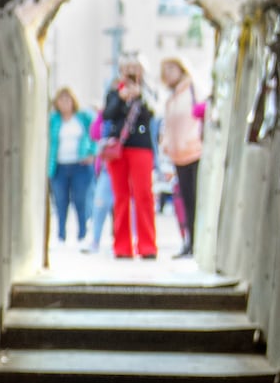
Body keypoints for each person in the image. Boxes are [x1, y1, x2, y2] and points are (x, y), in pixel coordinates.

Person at [100, 60, 158, 259]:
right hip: (118, 149)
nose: (131, 72)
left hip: (141, 147)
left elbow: (151, 116)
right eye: (127, 68)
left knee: (143, 195)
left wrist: (138, 97)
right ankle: (122, 246)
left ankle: (147, 245)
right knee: (121, 197)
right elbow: (107, 114)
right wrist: (121, 99)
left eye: (135, 68)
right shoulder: (114, 91)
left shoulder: (148, 92)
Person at [158, 57, 203, 258]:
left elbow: (203, 112)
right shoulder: (171, 98)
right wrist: (166, 145)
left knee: (196, 199)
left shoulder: (192, 90)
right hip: (178, 156)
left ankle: (198, 243)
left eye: (171, 68)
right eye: (165, 69)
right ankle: (189, 241)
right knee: (185, 201)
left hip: (195, 152)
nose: (168, 73)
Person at [47, 87, 97, 245]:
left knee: (80, 199)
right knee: (60, 201)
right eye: (61, 100)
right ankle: (61, 234)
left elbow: (95, 134)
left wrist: (91, 153)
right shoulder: (53, 120)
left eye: (67, 100)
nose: (64, 103)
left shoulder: (83, 118)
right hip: (60, 166)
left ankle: (82, 232)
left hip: (80, 165)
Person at [83, 111, 112, 253]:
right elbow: (94, 134)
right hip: (107, 167)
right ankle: (95, 240)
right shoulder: (106, 115)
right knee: (99, 204)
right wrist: (101, 114)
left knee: (125, 207)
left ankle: (125, 241)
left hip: (126, 167)